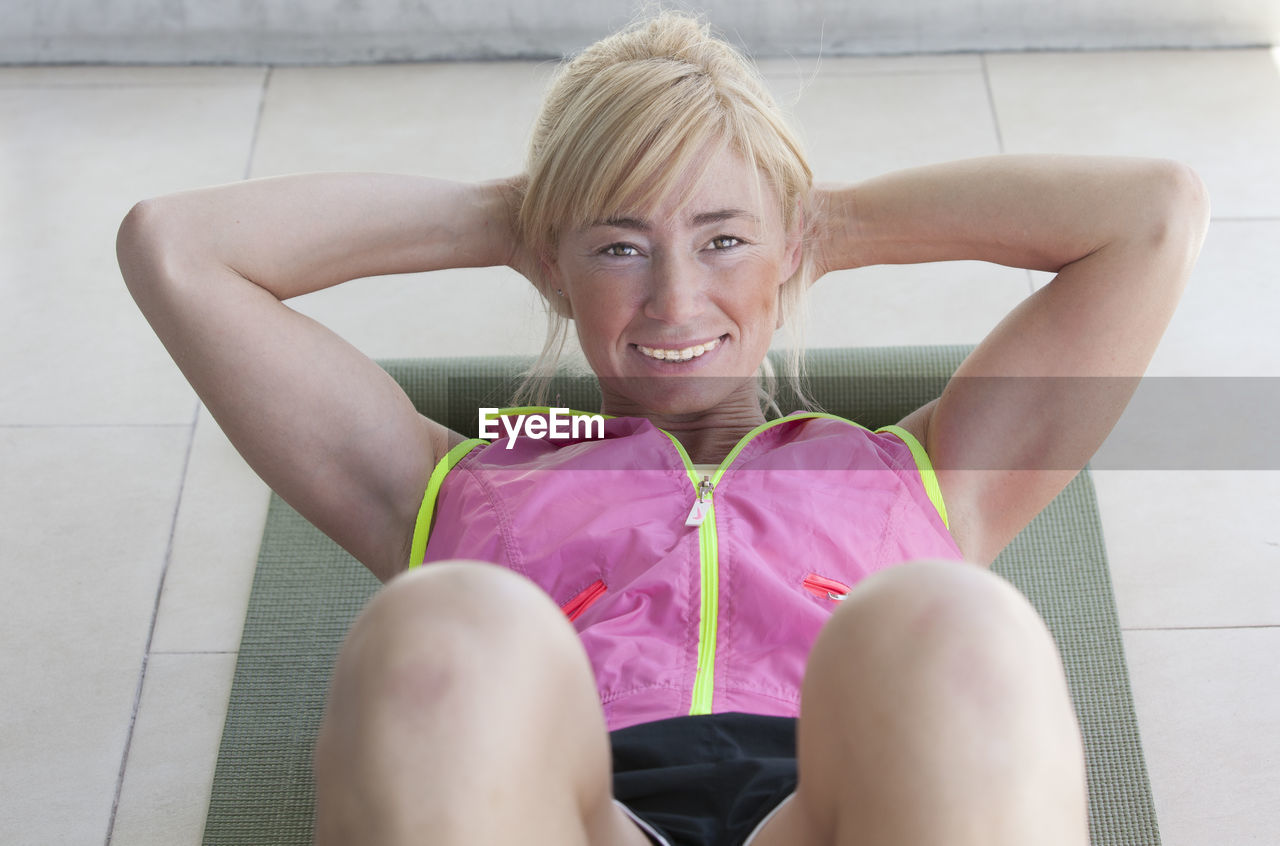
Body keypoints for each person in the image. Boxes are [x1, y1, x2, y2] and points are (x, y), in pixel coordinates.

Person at [116, 11, 1208, 846]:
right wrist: (528, 217)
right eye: (621, 249)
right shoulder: (453, 479)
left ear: (788, 253)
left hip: (842, 810)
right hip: (568, 809)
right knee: (442, 622)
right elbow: (178, 248)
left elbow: (1150, 214)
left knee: (954, 620)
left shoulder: (925, 472)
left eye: (722, 242)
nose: (676, 304)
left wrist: (815, 222)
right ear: (555, 268)